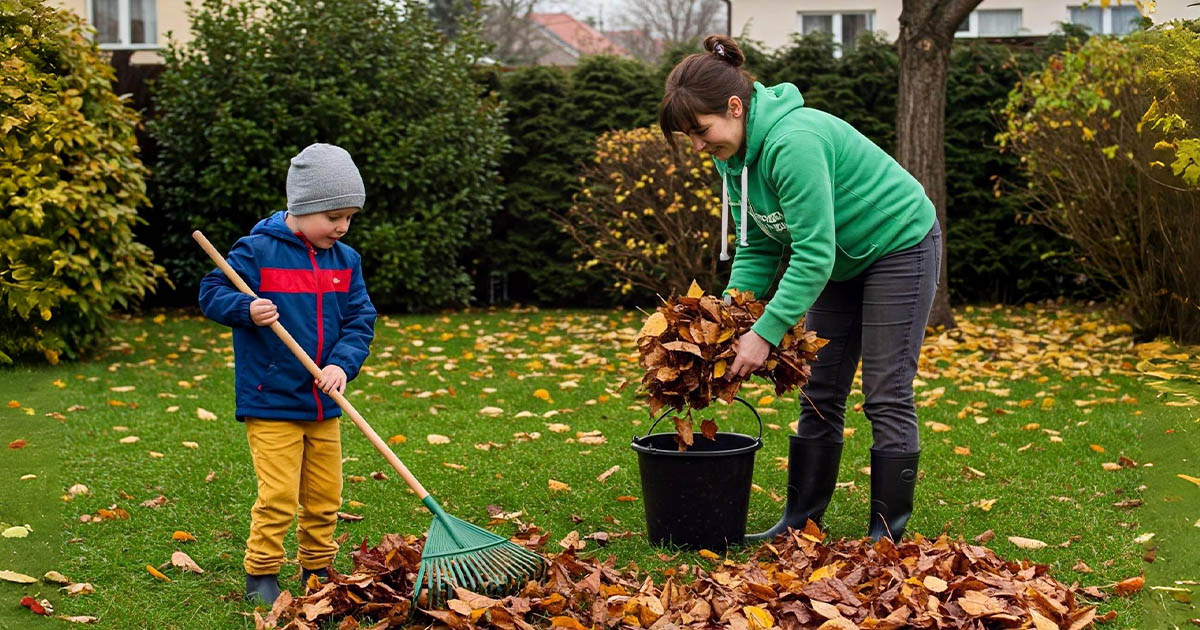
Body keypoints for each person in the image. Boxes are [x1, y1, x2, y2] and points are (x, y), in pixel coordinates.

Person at [659, 36, 941, 543]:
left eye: (701, 132)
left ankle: (888, 532)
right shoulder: (735, 161)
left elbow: (813, 253)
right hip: (840, 261)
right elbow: (758, 248)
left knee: (885, 390)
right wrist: (724, 322)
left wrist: (765, 334)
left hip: (900, 245)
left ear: (735, 106)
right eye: (690, 139)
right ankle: (801, 522)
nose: (699, 147)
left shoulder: (794, 142)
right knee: (819, 391)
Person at [198, 143, 377, 604]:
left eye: (349, 216)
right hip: (271, 397)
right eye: (333, 215)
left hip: (323, 401)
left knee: (324, 495)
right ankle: (261, 573)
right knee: (278, 494)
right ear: (303, 206)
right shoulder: (257, 250)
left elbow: (360, 319)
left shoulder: (346, 261)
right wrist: (245, 307)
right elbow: (212, 291)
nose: (341, 226)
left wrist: (341, 364)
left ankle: (317, 565)